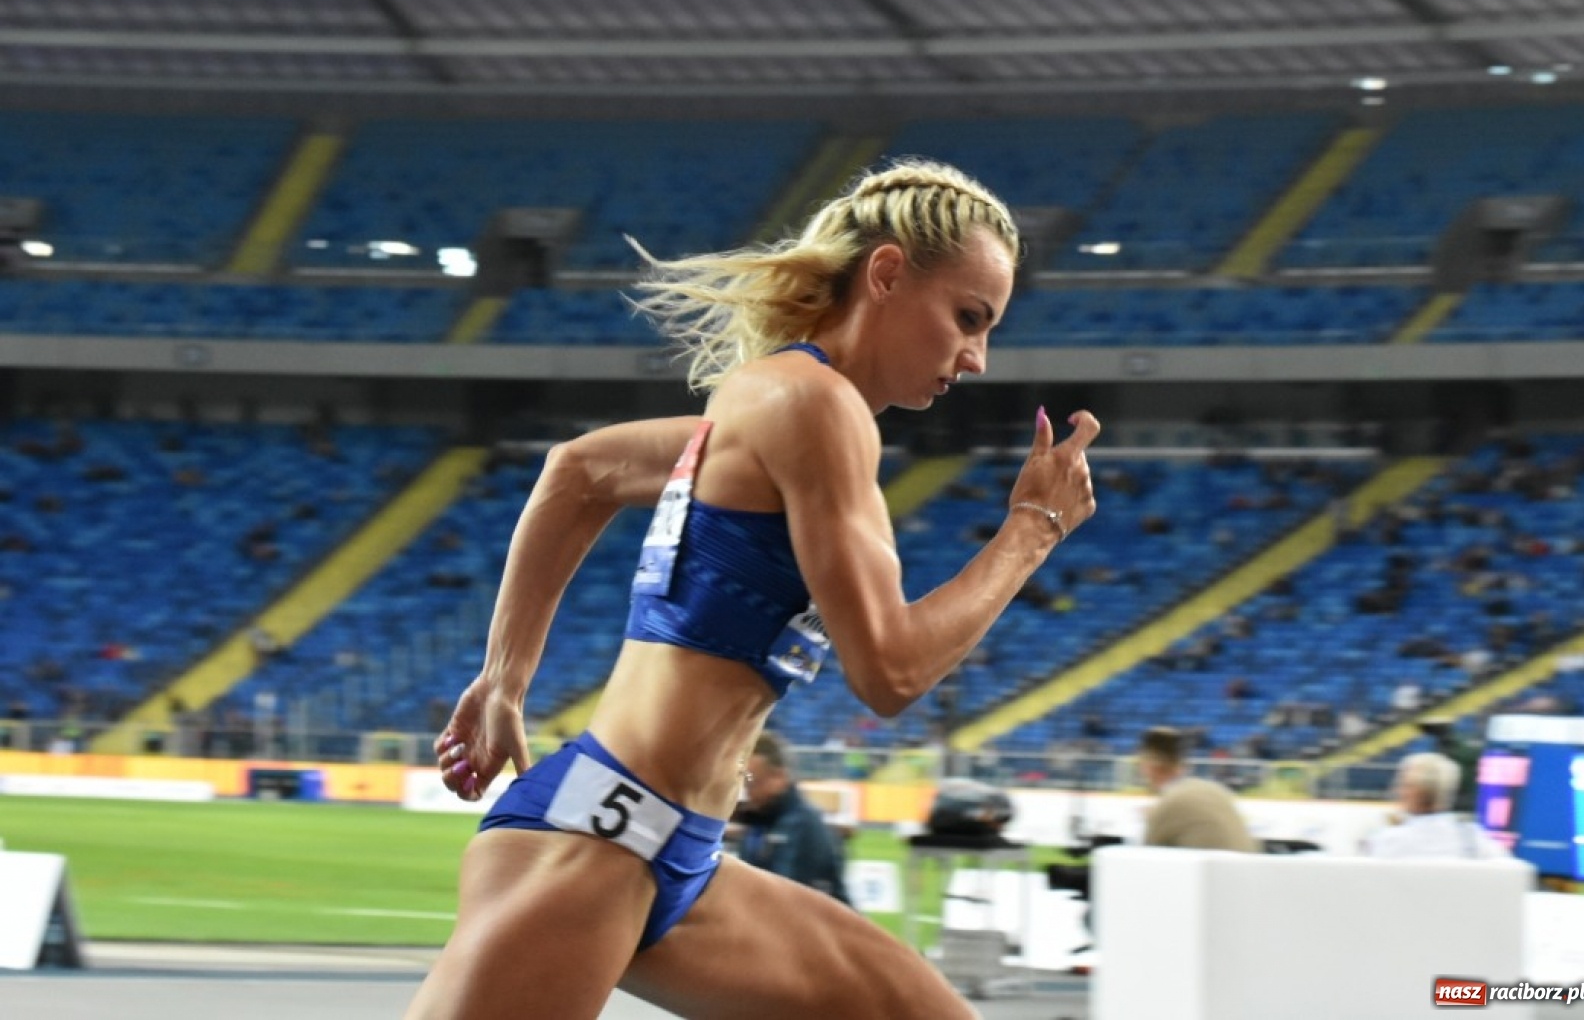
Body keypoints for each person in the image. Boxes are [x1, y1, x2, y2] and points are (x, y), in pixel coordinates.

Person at [406, 157, 1101, 1020]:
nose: (978, 358)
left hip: (676, 855)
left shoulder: (773, 408)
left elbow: (577, 471)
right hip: (598, 843)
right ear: (886, 274)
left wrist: (506, 677)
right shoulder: (813, 405)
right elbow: (889, 671)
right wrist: (1032, 527)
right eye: (968, 318)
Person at [734, 731, 851, 905]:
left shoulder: (802, 825)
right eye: (745, 785)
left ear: (779, 777)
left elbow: (784, 899)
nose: (749, 794)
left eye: (754, 784)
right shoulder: (762, 821)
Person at [1363, 752, 1512, 861]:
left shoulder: (1388, 840)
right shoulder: (1474, 839)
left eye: (1402, 786)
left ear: (1412, 792)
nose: (1397, 791)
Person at [1137, 726, 1259, 853]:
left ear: (1149, 767)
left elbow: (1147, 860)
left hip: (1213, 871)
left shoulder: (1170, 803)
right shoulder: (1215, 790)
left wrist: (1157, 815)